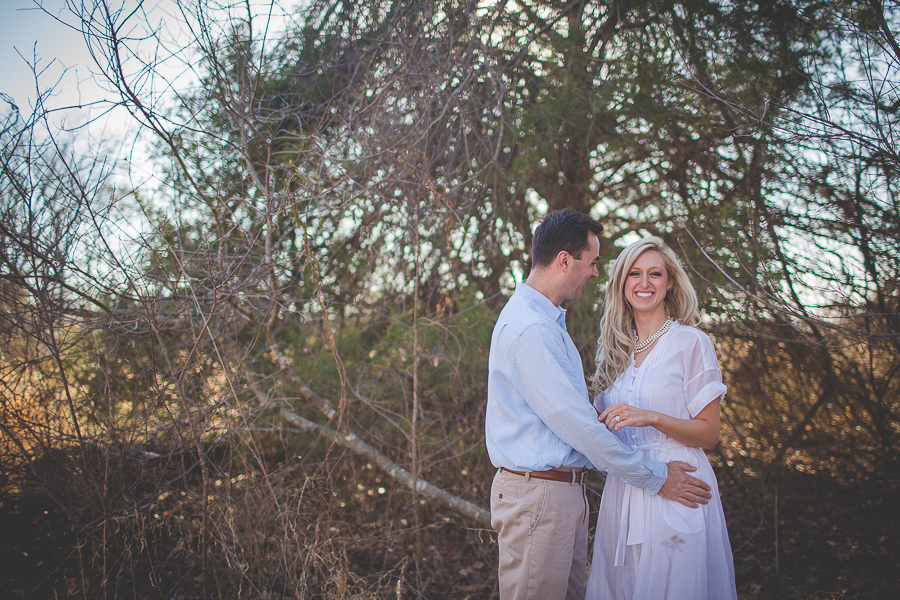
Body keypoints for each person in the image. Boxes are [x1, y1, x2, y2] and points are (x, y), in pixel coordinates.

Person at [485, 210, 712, 600]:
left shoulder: (549, 322)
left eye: (655, 273)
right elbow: (578, 426)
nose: (594, 273)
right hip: (541, 497)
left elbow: (584, 417)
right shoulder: (532, 328)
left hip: (567, 495)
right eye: (592, 263)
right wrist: (656, 475)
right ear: (564, 261)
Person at [584, 236, 738, 600]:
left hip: (679, 485)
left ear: (670, 283)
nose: (644, 282)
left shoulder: (692, 343)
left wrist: (652, 417)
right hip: (625, 489)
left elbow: (709, 433)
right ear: (622, 284)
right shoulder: (615, 352)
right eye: (634, 274)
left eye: (655, 274)